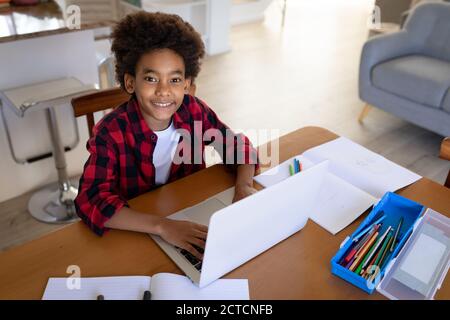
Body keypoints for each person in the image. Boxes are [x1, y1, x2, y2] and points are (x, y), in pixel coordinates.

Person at [74, 12, 259, 260]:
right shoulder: (111, 132)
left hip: (191, 215)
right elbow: (91, 199)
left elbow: (236, 147)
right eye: (151, 78)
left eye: (174, 79)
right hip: (137, 232)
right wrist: (163, 226)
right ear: (130, 82)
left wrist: (244, 185)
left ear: (187, 84)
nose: (163, 91)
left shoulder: (194, 111)